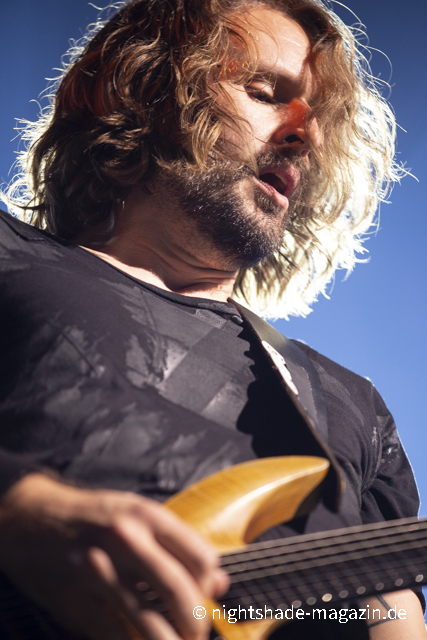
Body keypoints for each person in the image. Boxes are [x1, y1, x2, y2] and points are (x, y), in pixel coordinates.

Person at [0, 0, 425, 639]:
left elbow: (392, 614)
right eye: (265, 93)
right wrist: (21, 511)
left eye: (316, 119)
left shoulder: (352, 404)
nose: (305, 135)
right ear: (134, 88)